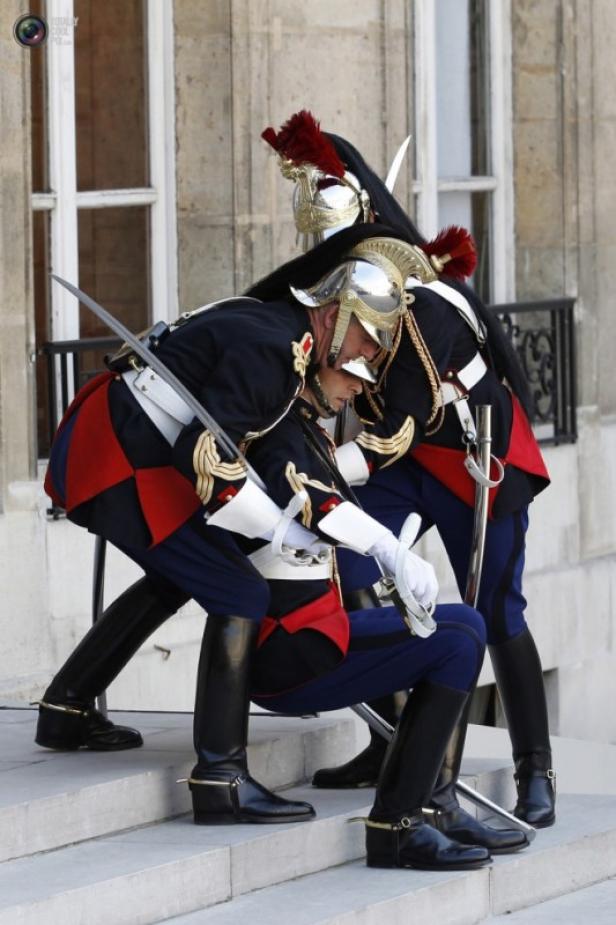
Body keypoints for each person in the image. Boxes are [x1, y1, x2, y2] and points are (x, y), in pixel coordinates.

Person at [37, 226, 432, 827]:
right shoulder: (275, 350)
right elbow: (207, 458)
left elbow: (268, 455)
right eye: (368, 341)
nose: (368, 358)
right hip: (122, 461)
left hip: (126, 446)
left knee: (181, 577)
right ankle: (220, 777)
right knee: (239, 590)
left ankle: (65, 706)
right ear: (336, 313)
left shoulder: (283, 338)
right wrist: (278, 532)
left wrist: (368, 540)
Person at [257, 111, 554, 836]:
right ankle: (388, 733)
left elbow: (395, 428)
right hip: (412, 462)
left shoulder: (428, 307)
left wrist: (321, 473)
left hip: (478, 461)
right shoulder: (344, 291)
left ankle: (534, 767)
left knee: (494, 612)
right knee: (351, 565)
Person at [240, 359, 493, 870]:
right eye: (348, 372)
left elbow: (342, 474)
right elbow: (306, 496)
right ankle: (400, 824)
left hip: (314, 632)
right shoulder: (277, 437)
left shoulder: (303, 431)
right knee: (459, 639)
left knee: (465, 622)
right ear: (310, 369)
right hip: (291, 647)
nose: (358, 387)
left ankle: (433, 806)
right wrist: (384, 546)